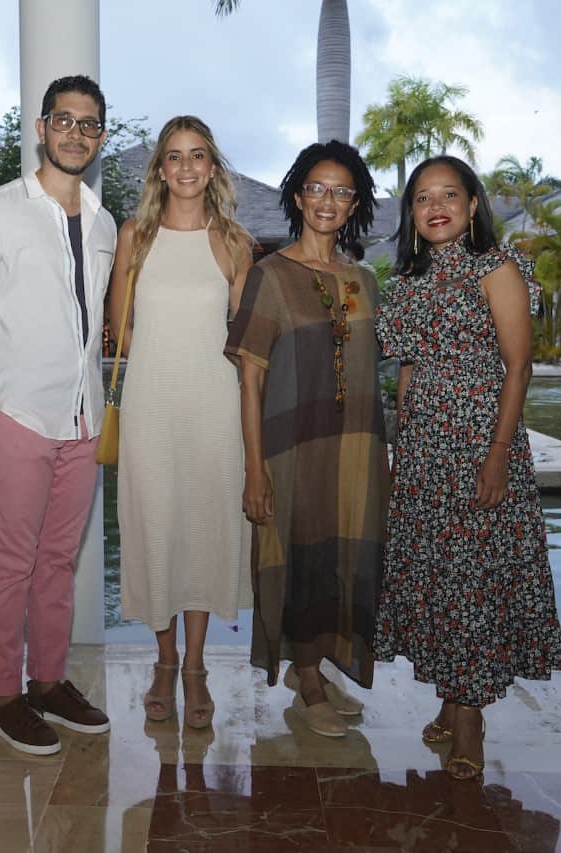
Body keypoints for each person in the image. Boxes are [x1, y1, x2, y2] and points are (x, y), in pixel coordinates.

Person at [374, 155, 561, 780]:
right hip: (425, 453)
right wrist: (402, 450)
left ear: (472, 204)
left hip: (481, 446)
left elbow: (519, 366)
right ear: (412, 212)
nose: (436, 206)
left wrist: (497, 457)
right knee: (439, 578)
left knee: (474, 582)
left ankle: (470, 720)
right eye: (424, 197)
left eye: (449, 194)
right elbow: (404, 368)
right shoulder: (408, 278)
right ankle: (449, 697)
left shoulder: (498, 267)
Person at [0, 75, 115, 756]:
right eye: (64, 120)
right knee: (13, 559)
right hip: (17, 415)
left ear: (101, 138)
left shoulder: (103, 222)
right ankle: (4, 695)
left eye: (90, 123)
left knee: (59, 561)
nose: (76, 132)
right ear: (41, 128)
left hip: (83, 420)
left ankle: (48, 681)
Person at [225, 141, 391, 738]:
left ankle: (316, 667)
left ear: (354, 206)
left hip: (354, 451)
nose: (328, 200)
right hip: (291, 447)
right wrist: (254, 469)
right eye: (317, 188)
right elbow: (250, 378)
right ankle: (308, 679)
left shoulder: (365, 282)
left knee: (344, 555)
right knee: (297, 554)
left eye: (342, 191)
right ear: (298, 197)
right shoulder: (270, 277)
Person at [110, 116, 254, 729]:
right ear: (160, 170)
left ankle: (195, 665)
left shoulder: (236, 243)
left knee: (204, 530)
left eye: (198, 156)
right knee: (156, 527)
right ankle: (163, 660)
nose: (187, 167)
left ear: (213, 167)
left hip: (215, 406)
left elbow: (246, 342)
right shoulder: (133, 238)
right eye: (175, 157)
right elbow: (121, 330)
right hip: (149, 403)